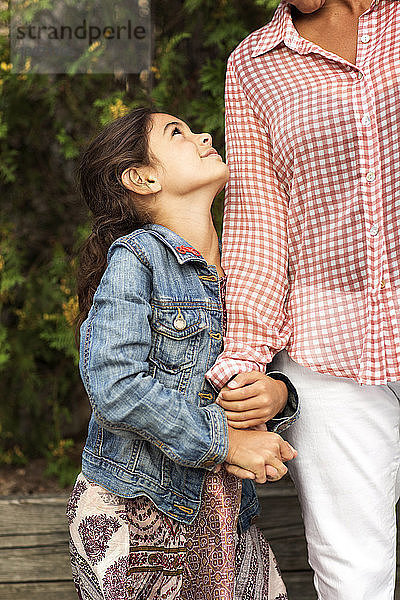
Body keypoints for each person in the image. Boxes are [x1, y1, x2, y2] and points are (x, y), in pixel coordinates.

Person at [206, 0, 400, 598]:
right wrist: (243, 363)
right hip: (328, 344)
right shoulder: (254, 65)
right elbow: (259, 226)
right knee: (352, 569)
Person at [66, 108, 299, 600]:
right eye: (178, 133)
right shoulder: (138, 259)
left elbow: (269, 364)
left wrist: (279, 397)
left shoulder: (251, 264)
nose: (204, 134)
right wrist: (227, 443)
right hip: (139, 513)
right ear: (142, 177)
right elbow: (116, 386)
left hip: (229, 517)